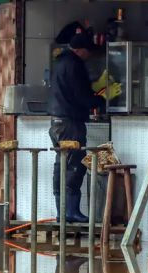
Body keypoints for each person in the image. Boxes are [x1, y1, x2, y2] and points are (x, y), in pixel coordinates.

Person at [48, 33, 119, 223]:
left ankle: (63, 212)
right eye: (87, 52)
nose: (88, 56)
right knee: (73, 165)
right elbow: (81, 96)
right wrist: (101, 98)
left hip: (57, 123)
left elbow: (73, 91)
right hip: (70, 123)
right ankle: (70, 212)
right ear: (80, 50)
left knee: (62, 165)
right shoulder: (75, 64)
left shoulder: (60, 62)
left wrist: (94, 89)